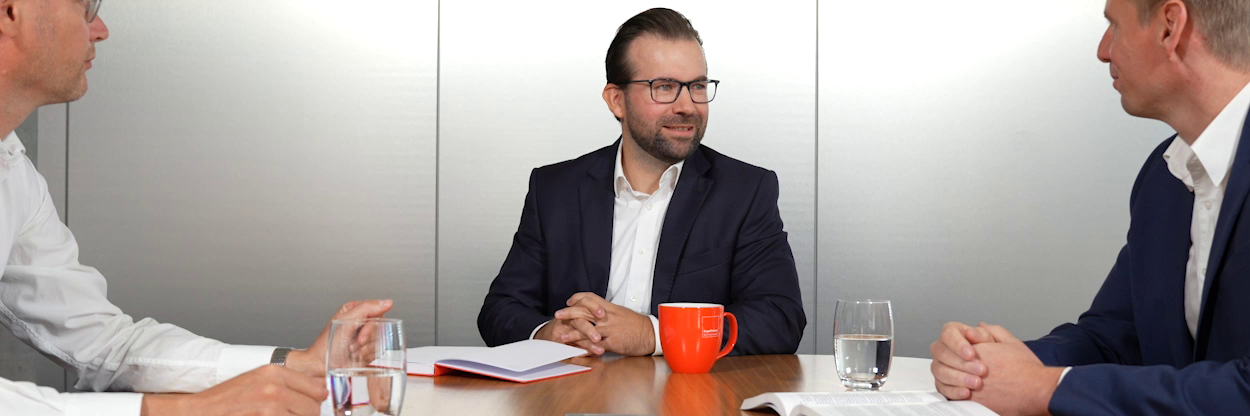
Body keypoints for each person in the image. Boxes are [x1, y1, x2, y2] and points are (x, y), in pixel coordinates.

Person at [0, 1, 395, 415]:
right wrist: (181, 410)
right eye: (85, 7)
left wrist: (298, 364)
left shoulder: (14, 173)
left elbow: (104, 344)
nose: (101, 30)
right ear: (10, 12)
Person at [929, 0, 1250, 414]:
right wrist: (989, 363)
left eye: (1115, 25)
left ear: (1170, 27)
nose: (1103, 50)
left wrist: (1047, 388)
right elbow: (1117, 338)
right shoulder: (1165, 176)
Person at [477, 7, 805, 357]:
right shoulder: (555, 189)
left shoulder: (745, 191)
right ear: (616, 100)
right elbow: (500, 310)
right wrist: (549, 333)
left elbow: (780, 318)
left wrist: (655, 335)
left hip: (688, 390)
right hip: (577, 388)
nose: (687, 105)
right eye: (664, 87)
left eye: (697, 86)